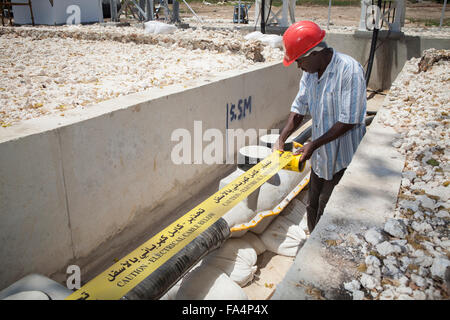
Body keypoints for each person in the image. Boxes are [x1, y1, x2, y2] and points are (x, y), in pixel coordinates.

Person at [274, 21, 367, 233]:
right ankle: (310, 243)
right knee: (312, 204)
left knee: (329, 210)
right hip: (320, 157)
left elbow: (349, 119)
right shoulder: (310, 73)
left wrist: (313, 144)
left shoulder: (348, 70)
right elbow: (299, 109)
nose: (298, 66)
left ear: (315, 53)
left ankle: (319, 250)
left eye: (299, 60)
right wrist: (282, 138)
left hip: (343, 157)